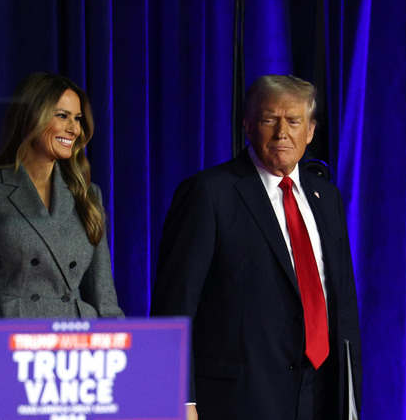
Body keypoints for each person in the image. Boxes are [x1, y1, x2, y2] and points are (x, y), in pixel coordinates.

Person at [151, 75, 361, 419]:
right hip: (239, 399)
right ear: (247, 126)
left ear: (310, 131)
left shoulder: (327, 198)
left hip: (322, 395)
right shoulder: (209, 193)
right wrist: (179, 399)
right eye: (269, 120)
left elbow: (344, 305)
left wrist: (350, 398)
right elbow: (174, 306)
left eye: (293, 121)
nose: (282, 133)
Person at [0, 72, 123, 319]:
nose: (74, 129)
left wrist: (121, 346)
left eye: (77, 118)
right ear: (32, 117)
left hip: (75, 340)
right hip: (13, 338)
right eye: (62, 116)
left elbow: (104, 296)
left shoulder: (87, 194)